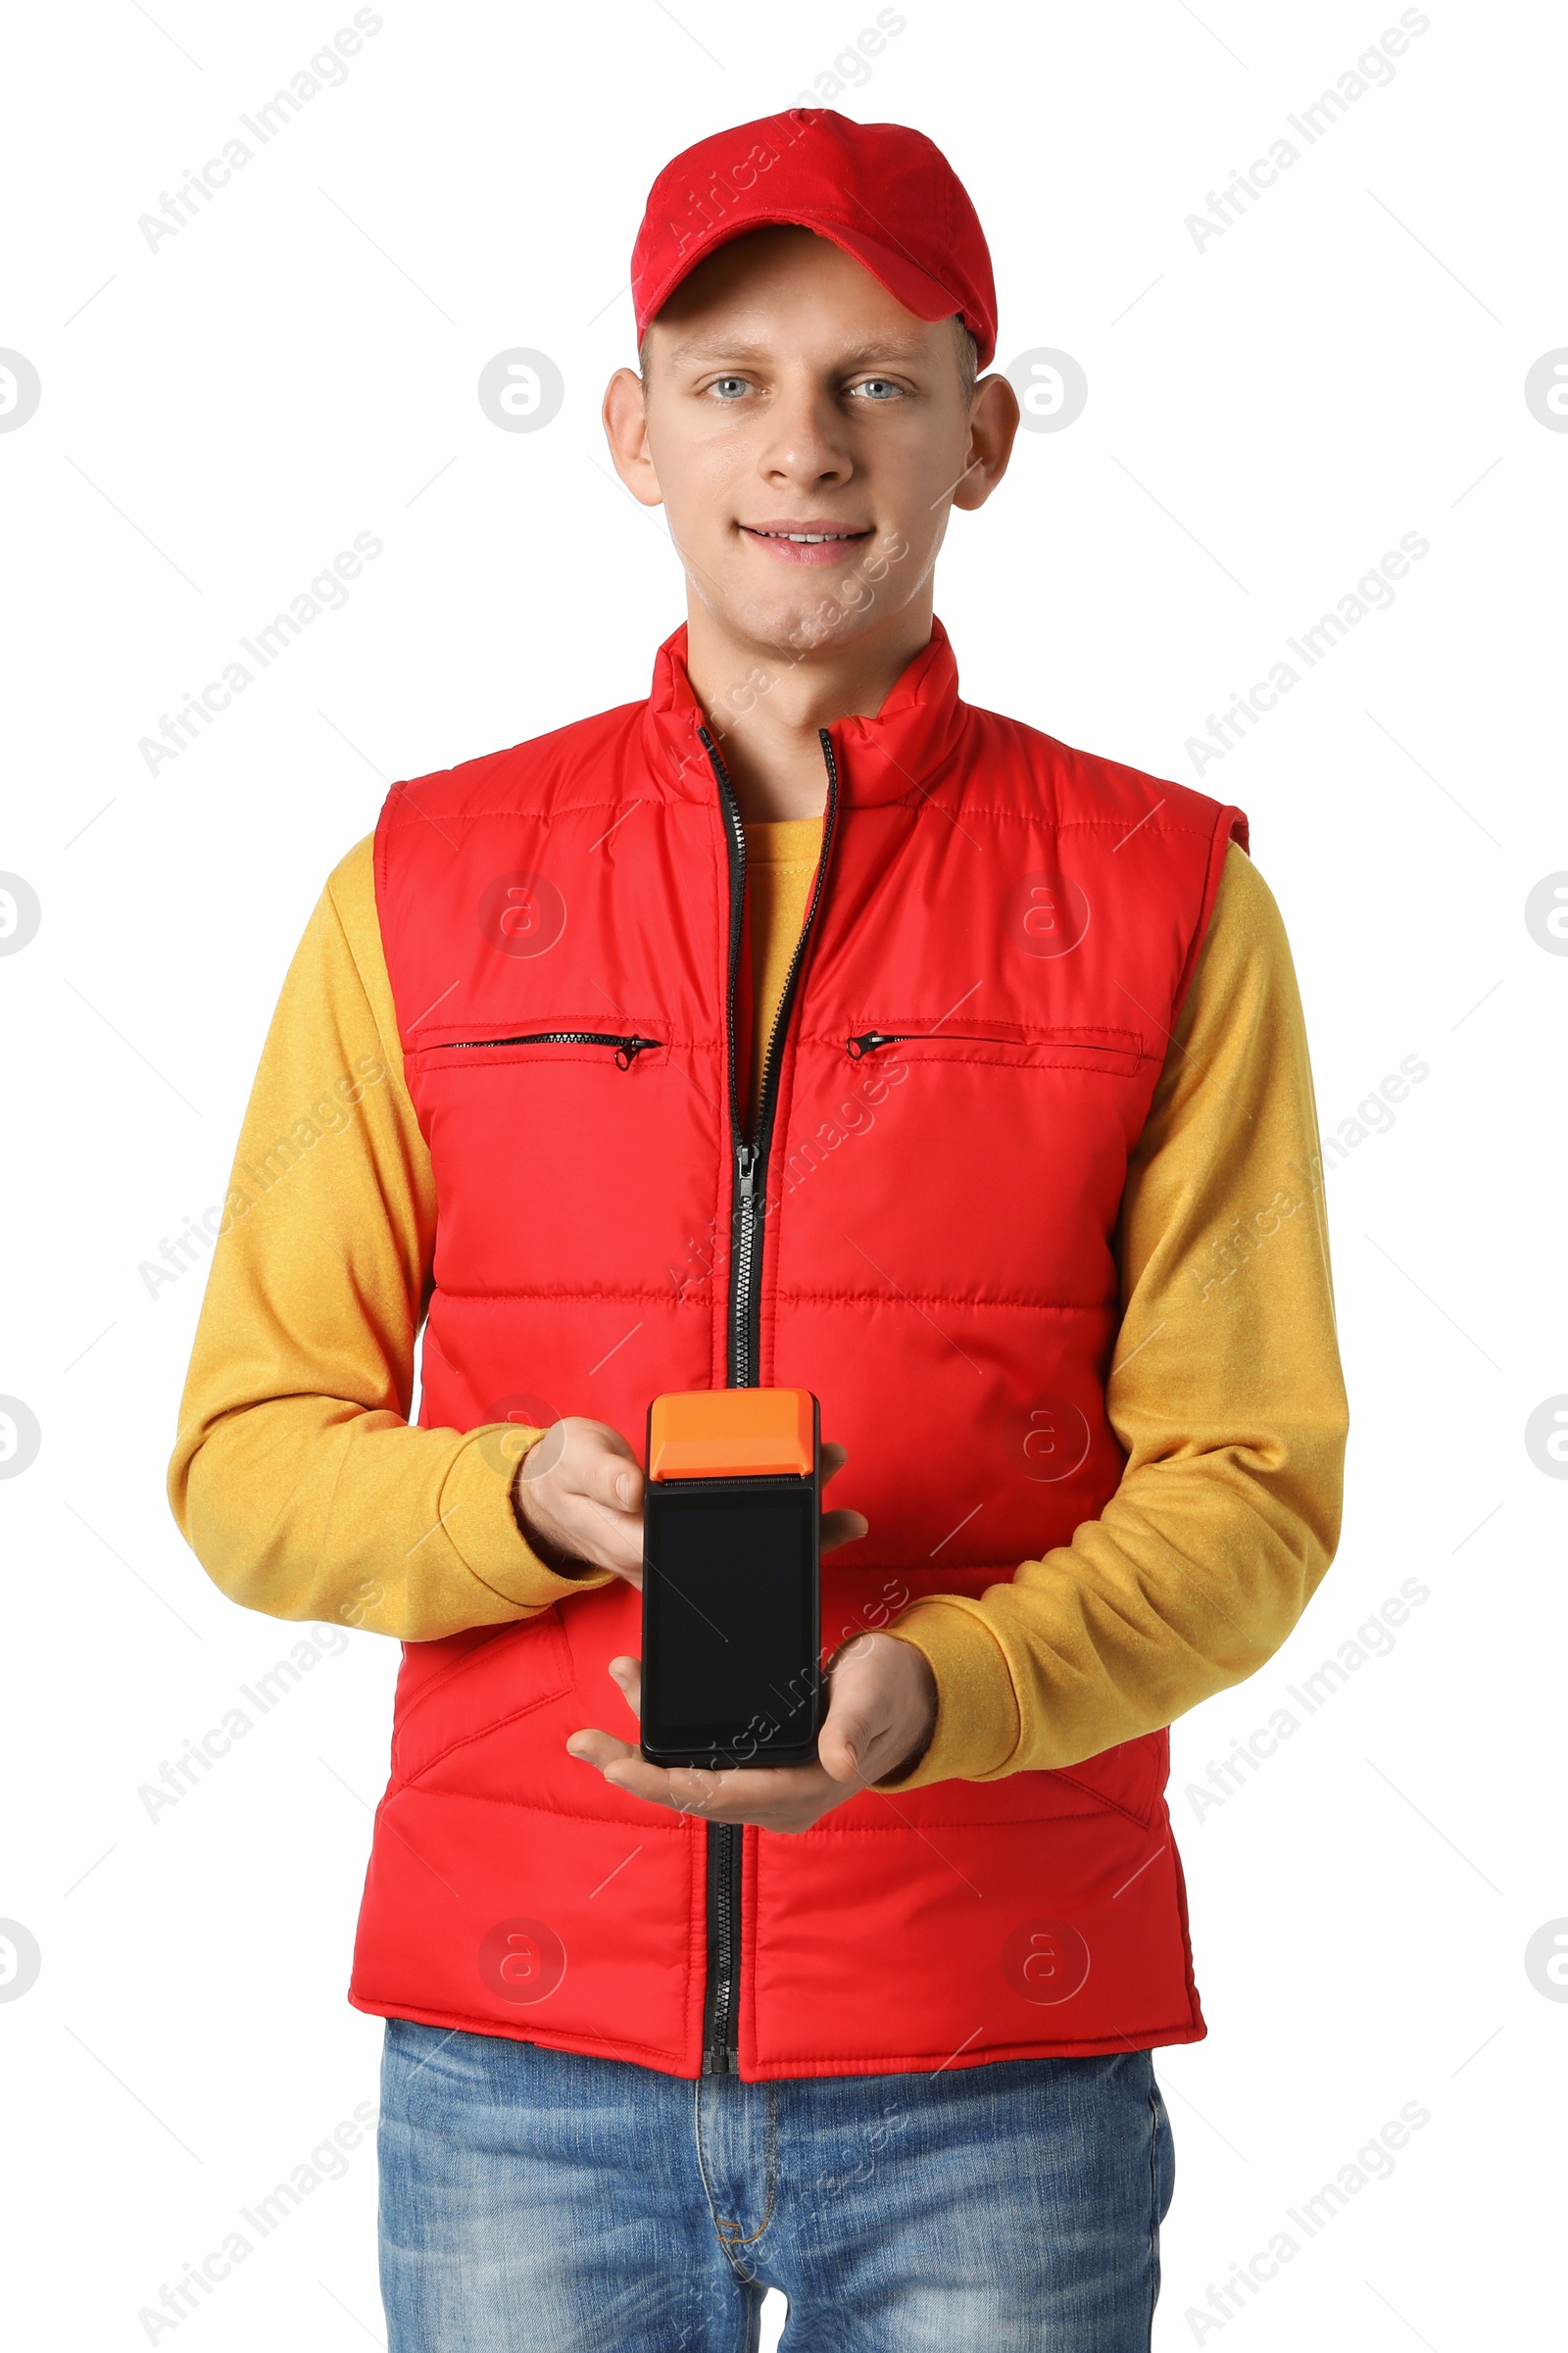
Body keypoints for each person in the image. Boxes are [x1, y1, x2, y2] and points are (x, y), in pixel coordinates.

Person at [171, 109, 1348, 2353]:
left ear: (978, 437)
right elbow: (244, 1450)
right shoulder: (421, 889)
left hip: (992, 2058)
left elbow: (1253, 1491)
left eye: (873, 383)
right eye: (728, 381)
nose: (801, 448)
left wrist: (940, 1690)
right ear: (629, 431)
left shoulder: (1167, 903)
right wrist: (507, 1494)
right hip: (524, 2060)